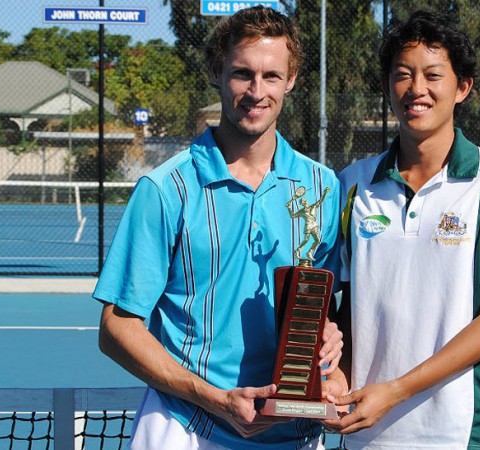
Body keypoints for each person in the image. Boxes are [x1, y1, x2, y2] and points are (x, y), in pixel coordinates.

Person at [94, 6, 345, 450]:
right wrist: (215, 399)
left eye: (271, 76)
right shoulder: (165, 188)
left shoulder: (322, 187)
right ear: (216, 71)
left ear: (291, 80)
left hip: (295, 434)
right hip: (185, 426)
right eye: (242, 74)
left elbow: (321, 307)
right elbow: (117, 328)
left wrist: (329, 335)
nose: (256, 91)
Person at [324, 10, 480, 449]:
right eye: (402, 75)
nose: (417, 89)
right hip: (370, 432)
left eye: (433, 75)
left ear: (462, 87)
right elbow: (346, 308)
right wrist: (335, 371)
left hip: (471, 434)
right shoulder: (352, 183)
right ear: (387, 86)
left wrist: (396, 390)